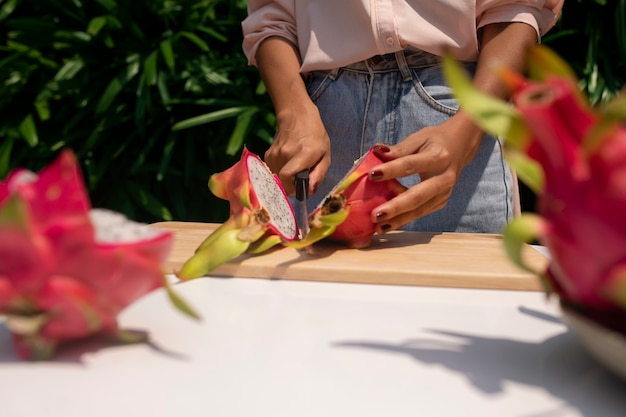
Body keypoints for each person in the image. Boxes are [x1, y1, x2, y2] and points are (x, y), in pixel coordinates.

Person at [242, 0, 564, 234]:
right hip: (326, 123)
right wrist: (292, 110)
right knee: (323, 314)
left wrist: (469, 128)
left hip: (457, 116)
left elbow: (518, 9)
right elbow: (271, 14)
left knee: (470, 308)